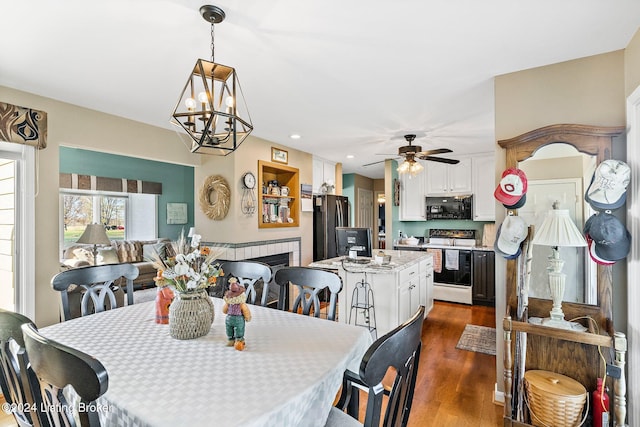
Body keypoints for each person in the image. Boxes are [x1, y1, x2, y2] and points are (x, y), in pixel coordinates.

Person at [222, 277, 252, 350]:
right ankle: (236, 339)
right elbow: (246, 311)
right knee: (237, 329)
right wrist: (248, 317)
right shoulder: (240, 304)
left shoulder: (232, 303)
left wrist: (247, 316)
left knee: (232, 329)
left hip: (230, 318)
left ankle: (234, 340)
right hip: (237, 319)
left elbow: (224, 310)